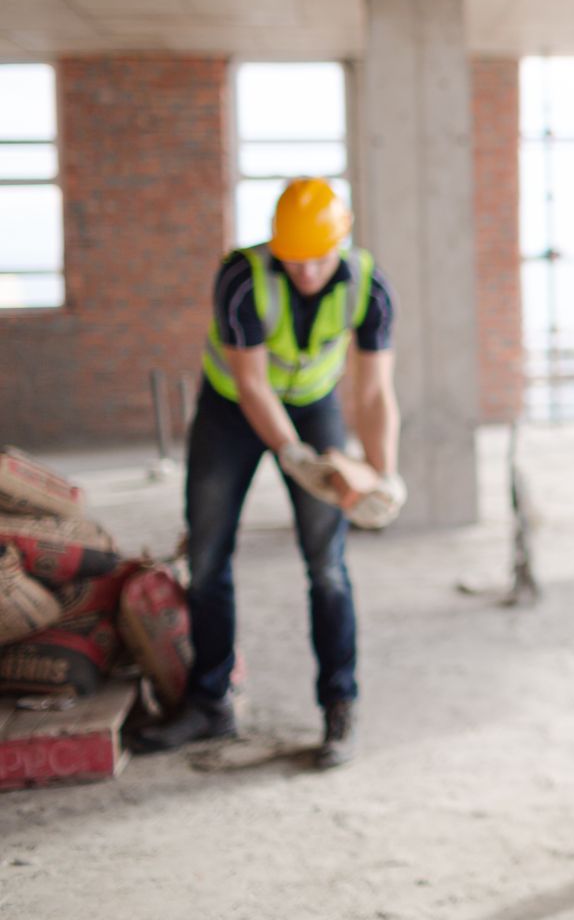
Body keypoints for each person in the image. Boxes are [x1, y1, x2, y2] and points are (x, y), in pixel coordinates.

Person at [135, 178, 405, 770]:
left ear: (341, 240)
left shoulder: (368, 285)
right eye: (293, 257)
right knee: (207, 559)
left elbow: (375, 388)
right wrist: (293, 456)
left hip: (315, 404)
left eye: (317, 257)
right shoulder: (241, 277)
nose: (305, 270)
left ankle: (340, 705)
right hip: (232, 409)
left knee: (327, 564)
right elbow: (252, 382)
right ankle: (210, 703)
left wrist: (382, 475)